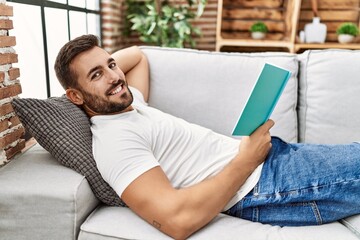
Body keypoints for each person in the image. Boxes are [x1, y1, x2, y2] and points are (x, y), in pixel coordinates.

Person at [54, 34, 360, 239]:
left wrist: (101, 70)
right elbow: (176, 221)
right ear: (75, 96)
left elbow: (137, 57)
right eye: (96, 75)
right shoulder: (115, 143)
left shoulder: (128, 103)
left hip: (271, 163)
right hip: (263, 186)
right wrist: (247, 159)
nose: (115, 76)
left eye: (110, 65)